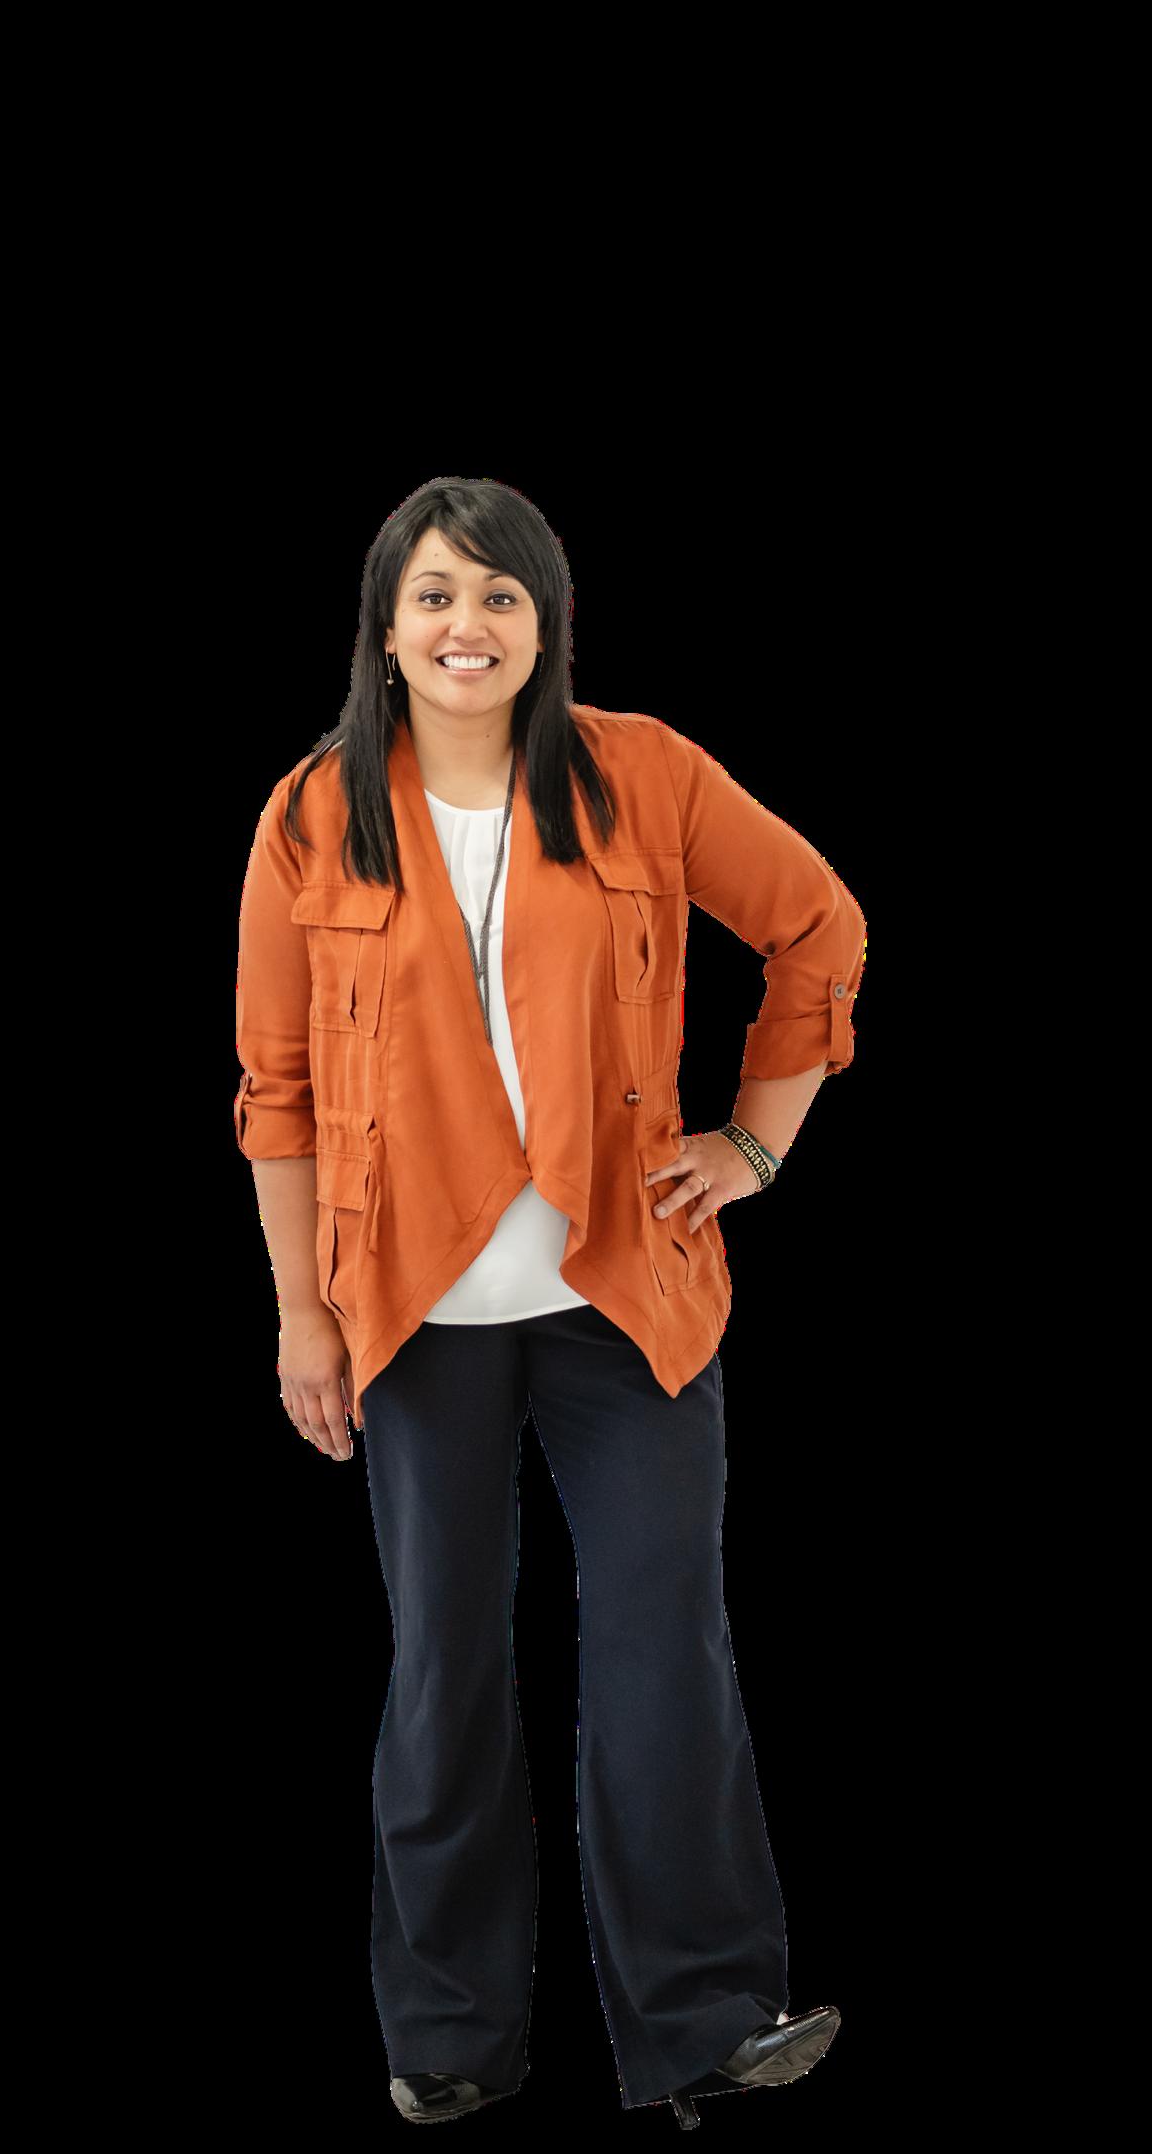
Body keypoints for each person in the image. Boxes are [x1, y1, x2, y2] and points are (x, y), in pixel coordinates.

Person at [235, 478, 864, 2128]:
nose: (470, 625)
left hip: (627, 1289)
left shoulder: (644, 773)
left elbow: (818, 923)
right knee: (446, 1662)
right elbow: (275, 1087)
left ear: (547, 622)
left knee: (664, 1649)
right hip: (409, 1308)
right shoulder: (312, 812)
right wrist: (302, 1312)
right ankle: (450, 2032)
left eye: (502, 595)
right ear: (387, 628)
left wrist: (753, 1141)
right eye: (438, 595)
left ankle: (707, 2016)